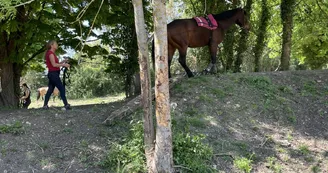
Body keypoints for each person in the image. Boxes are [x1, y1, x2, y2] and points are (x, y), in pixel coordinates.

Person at [43, 40, 71, 110]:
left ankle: (45, 105)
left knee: (50, 90)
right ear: (52, 45)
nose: (57, 45)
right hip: (53, 74)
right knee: (61, 88)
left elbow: (56, 64)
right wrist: (64, 65)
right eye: (55, 44)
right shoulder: (51, 54)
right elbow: (54, 64)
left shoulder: (52, 53)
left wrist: (63, 61)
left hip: (53, 74)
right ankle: (66, 104)